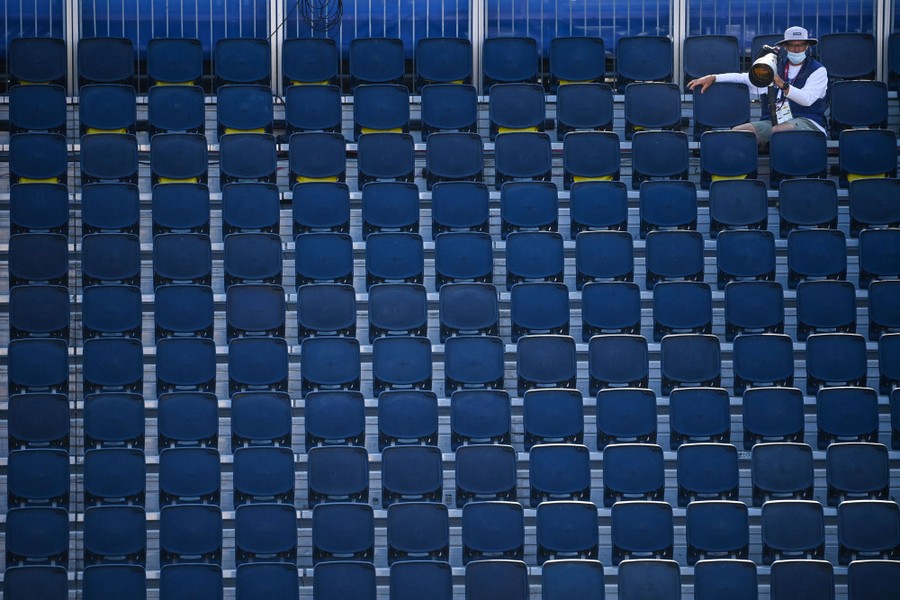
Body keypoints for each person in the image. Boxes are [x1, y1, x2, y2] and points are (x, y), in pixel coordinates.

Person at [687, 26, 828, 149]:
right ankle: (741, 175)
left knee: (780, 131)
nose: (796, 50)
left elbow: (807, 100)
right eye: (792, 45)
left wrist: (782, 84)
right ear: (785, 47)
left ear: (807, 46)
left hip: (808, 121)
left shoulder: (818, 70)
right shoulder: (776, 66)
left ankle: (780, 172)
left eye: (800, 45)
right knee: (738, 132)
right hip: (776, 121)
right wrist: (714, 77)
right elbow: (743, 78)